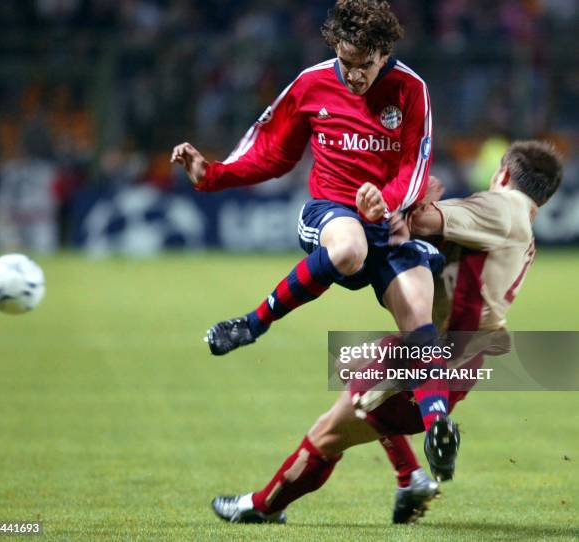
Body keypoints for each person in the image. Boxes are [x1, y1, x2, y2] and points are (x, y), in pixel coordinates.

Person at [172, 0, 457, 477]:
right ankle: (252, 323)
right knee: (348, 249)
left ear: (384, 53)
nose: (353, 76)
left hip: (388, 223)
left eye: (364, 65)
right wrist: (212, 175)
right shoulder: (311, 83)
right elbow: (272, 152)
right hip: (334, 211)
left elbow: (416, 165)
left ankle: (438, 428)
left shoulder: (411, 90)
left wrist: (386, 203)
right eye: (346, 63)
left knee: (419, 318)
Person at [210, 140, 563, 525]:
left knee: (329, 432)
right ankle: (410, 474)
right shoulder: (522, 229)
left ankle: (263, 506)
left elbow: (421, 222)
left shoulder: (502, 207)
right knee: (355, 371)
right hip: (455, 354)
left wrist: (404, 201)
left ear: (504, 174)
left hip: (438, 355)